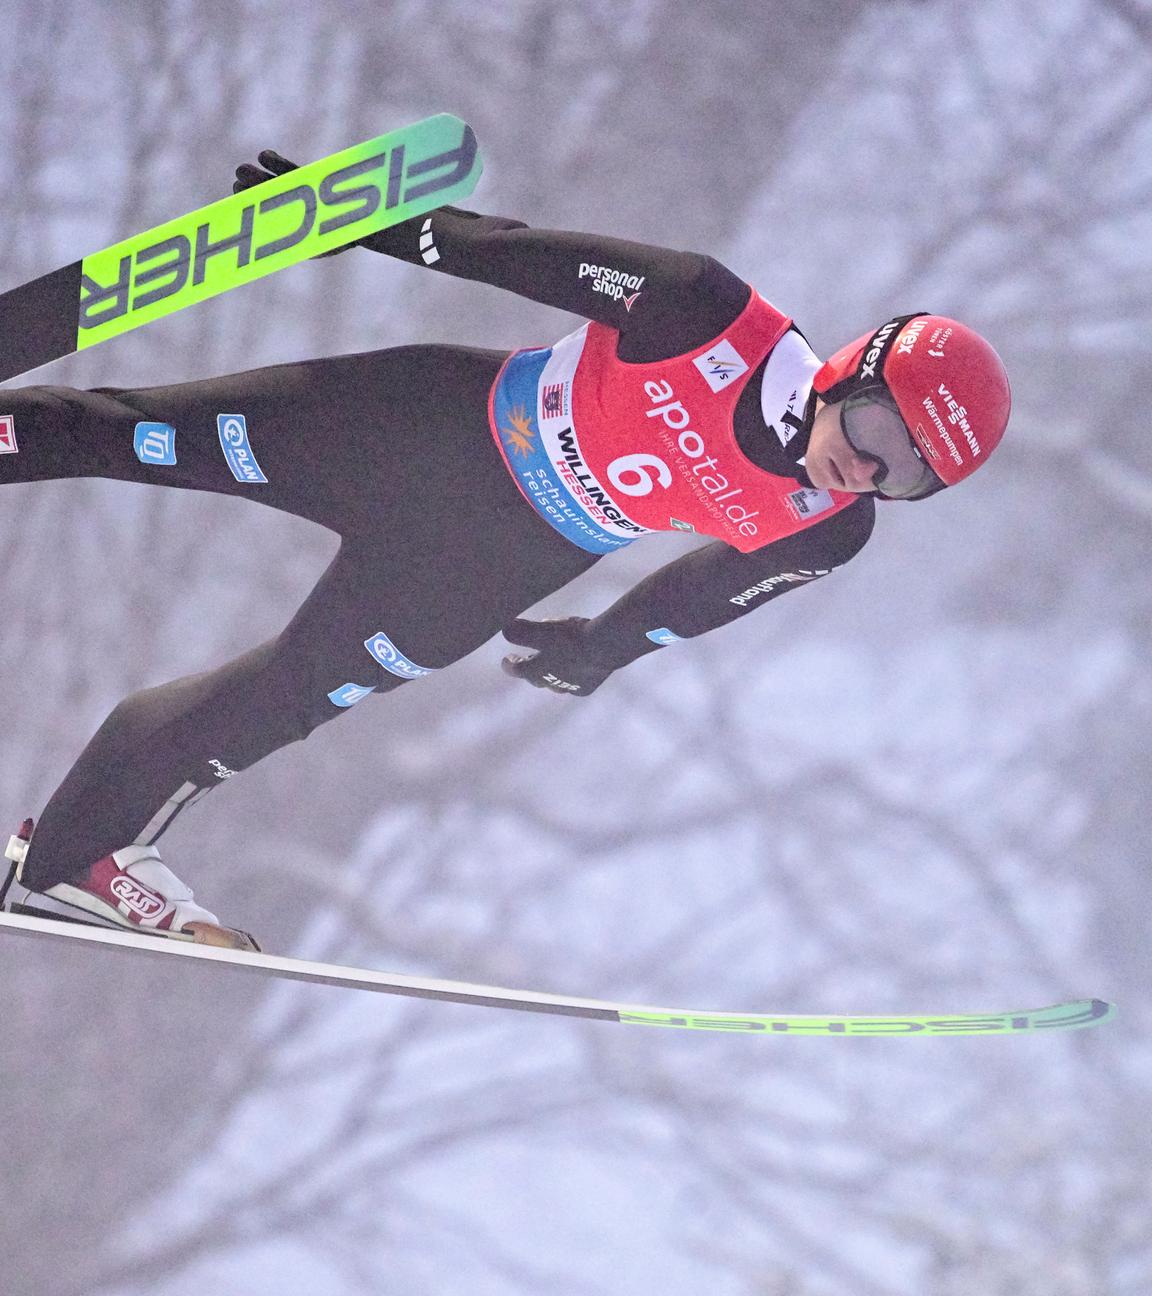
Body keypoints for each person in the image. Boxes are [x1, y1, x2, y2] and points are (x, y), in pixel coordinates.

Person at [0, 149, 1011, 951]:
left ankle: (80, 857)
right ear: (855, 370)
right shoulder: (703, 313)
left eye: (909, 476)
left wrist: (606, 647)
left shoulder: (829, 529)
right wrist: (357, 219)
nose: (869, 473)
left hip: (487, 567)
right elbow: (508, 250)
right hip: (419, 431)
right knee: (135, 434)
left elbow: (710, 590)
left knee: (283, 700)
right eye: (880, 436)